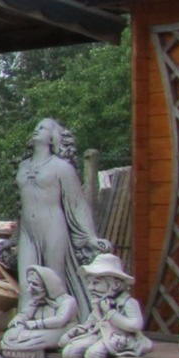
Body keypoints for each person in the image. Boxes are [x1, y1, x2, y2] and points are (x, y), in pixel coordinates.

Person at [15, 118, 110, 317]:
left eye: (42, 127)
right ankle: (23, 324)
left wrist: (90, 236)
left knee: (54, 280)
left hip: (53, 227)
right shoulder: (23, 166)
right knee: (26, 281)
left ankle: (60, 321)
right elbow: (21, 205)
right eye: (35, 127)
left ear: (52, 137)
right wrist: (13, 237)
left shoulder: (61, 167)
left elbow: (77, 204)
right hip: (27, 230)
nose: (36, 130)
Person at [57, 254, 150, 358]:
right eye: (90, 282)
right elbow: (92, 320)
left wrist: (111, 313)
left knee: (93, 353)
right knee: (71, 349)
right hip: (99, 334)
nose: (90, 287)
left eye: (96, 283)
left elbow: (135, 325)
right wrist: (83, 328)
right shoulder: (99, 302)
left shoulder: (128, 302)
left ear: (115, 284)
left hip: (120, 337)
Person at [0, 267, 78, 358]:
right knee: (10, 336)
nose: (30, 288)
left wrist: (35, 324)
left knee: (35, 340)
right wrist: (18, 320)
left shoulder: (68, 301)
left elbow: (60, 320)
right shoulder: (36, 301)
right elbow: (24, 315)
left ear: (48, 284)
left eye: (34, 284)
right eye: (29, 283)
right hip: (36, 329)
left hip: (61, 331)